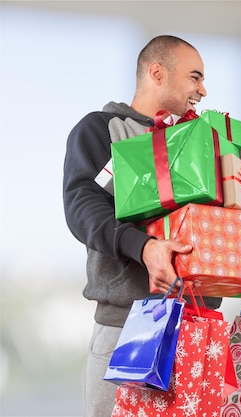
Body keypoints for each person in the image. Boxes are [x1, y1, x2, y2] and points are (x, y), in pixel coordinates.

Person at [64, 35, 221, 417]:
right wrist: (145, 248)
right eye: (195, 77)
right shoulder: (102, 130)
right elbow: (82, 205)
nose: (203, 89)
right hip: (129, 327)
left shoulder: (201, 143)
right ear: (157, 73)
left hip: (199, 331)